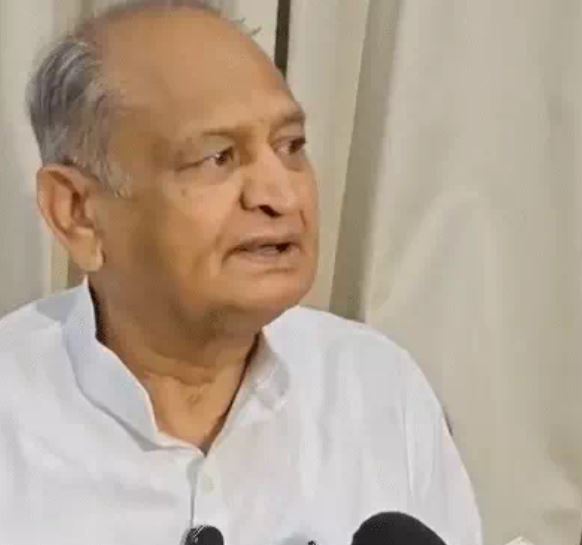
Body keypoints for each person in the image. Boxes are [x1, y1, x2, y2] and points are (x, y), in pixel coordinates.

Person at [0, 2, 482, 544]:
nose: (281, 196)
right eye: (218, 157)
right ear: (77, 212)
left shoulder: (377, 388)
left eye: (291, 146)